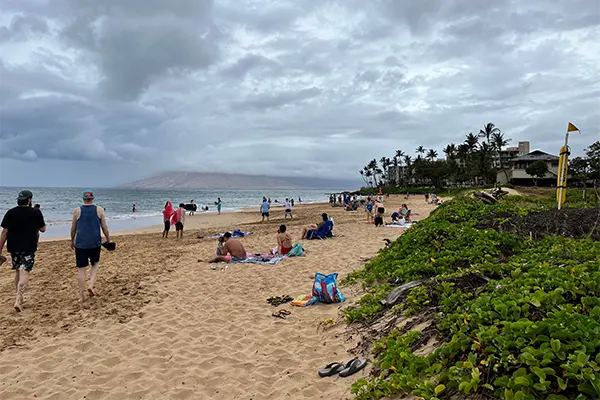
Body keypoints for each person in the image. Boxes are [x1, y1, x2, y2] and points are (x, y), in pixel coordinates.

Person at [0, 190, 46, 312]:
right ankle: (18, 298)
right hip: (29, 247)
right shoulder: (35, 212)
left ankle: (19, 297)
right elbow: (43, 229)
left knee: (17, 272)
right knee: (24, 271)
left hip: (13, 247)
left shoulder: (11, 212)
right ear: (29, 200)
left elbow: (4, 232)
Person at [70, 191, 110, 303]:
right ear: (92, 199)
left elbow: (73, 228)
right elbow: (104, 227)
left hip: (81, 243)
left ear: (83, 199)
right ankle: (91, 284)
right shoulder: (100, 210)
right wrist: (108, 238)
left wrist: (72, 240)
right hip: (95, 242)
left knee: (81, 269)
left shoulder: (77, 211)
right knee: (95, 264)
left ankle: (81, 296)